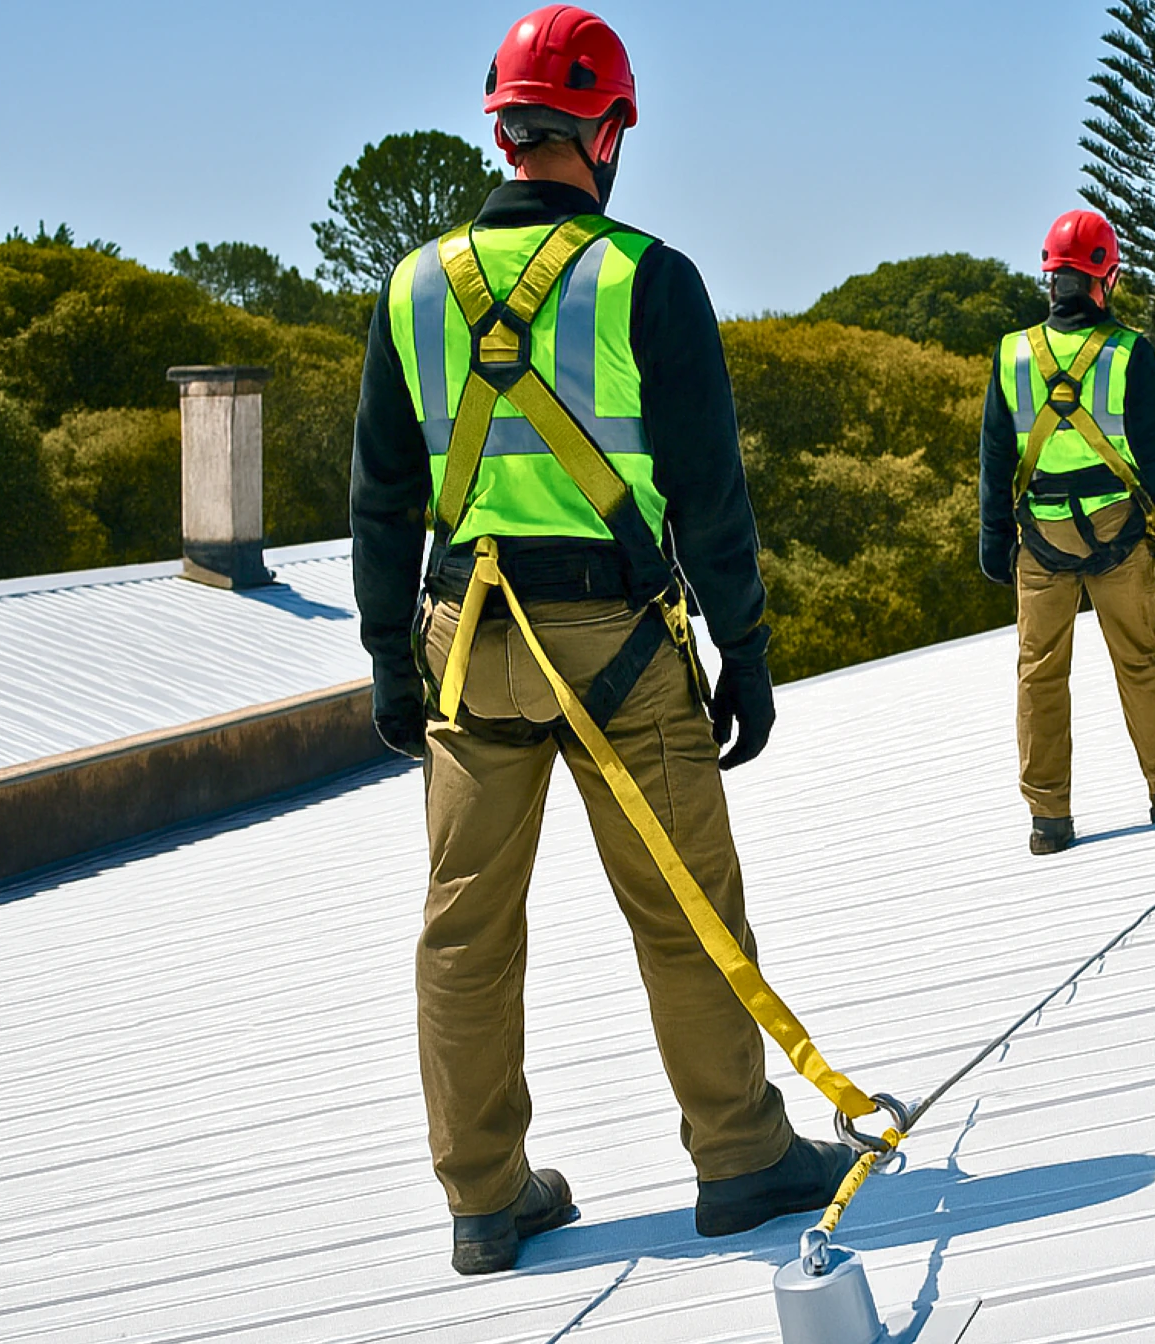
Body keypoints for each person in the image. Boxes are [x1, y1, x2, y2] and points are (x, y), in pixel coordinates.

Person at [349, 4, 851, 1275]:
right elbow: (711, 499)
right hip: (616, 644)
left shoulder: (412, 288)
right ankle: (739, 1154)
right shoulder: (647, 279)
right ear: (608, 131)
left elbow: (380, 501)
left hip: (466, 641)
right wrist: (747, 651)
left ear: (505, 134)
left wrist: (389, 662)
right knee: (684, 908)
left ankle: (484, 1199)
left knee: (464, 932)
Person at [978, 209, 1155, 856]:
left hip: (1041, 540)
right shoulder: (1129, 352)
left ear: (1050, 277)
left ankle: (1048, 819)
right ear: (1104, 277)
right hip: (1118, 533)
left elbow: (995, 457)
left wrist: (992, 538)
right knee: (1140, 662)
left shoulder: (1012, 354)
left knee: (1038, 675)